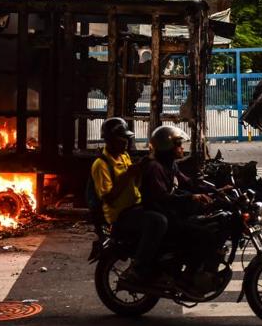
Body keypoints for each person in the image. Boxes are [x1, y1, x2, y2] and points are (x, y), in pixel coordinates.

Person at [140, 125, 222, 293]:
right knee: (203, 235)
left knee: (208, 225)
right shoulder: (155, 167)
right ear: (167, 147)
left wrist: (217, 191)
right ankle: (187, 277)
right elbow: (162, 197)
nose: (181, 148)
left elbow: (189, 183)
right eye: (178, 145)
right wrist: (192, 197)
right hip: (164, 215)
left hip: (172, 213)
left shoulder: (170, 165)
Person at [91, 117, 167, 283]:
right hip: (121, 215)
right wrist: (128, 175)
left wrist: (142, 170)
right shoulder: (101, 164)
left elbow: (134, 183)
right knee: (158, 221)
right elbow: (109, 198)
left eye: (127, 138)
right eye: (121, 139)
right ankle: (139, 267)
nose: (126, 142)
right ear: (109, 140)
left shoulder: (124, 156)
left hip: (135, 207)